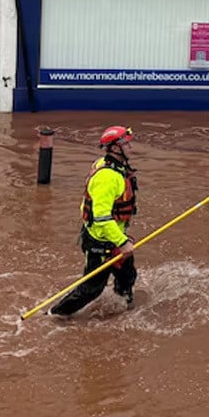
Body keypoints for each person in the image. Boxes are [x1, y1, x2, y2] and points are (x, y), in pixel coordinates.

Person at [50, 125, 139, 316]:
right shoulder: (107, 177)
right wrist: (122, 242)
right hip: (100, 240)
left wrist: (120, 239)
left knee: (127, 275)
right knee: (92, 288)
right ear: (115, 148)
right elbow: (101, 217)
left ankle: (123, 308)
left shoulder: (111, 165)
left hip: (114, 236)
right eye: (126, 144)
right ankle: (56, 315)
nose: (131, 147)